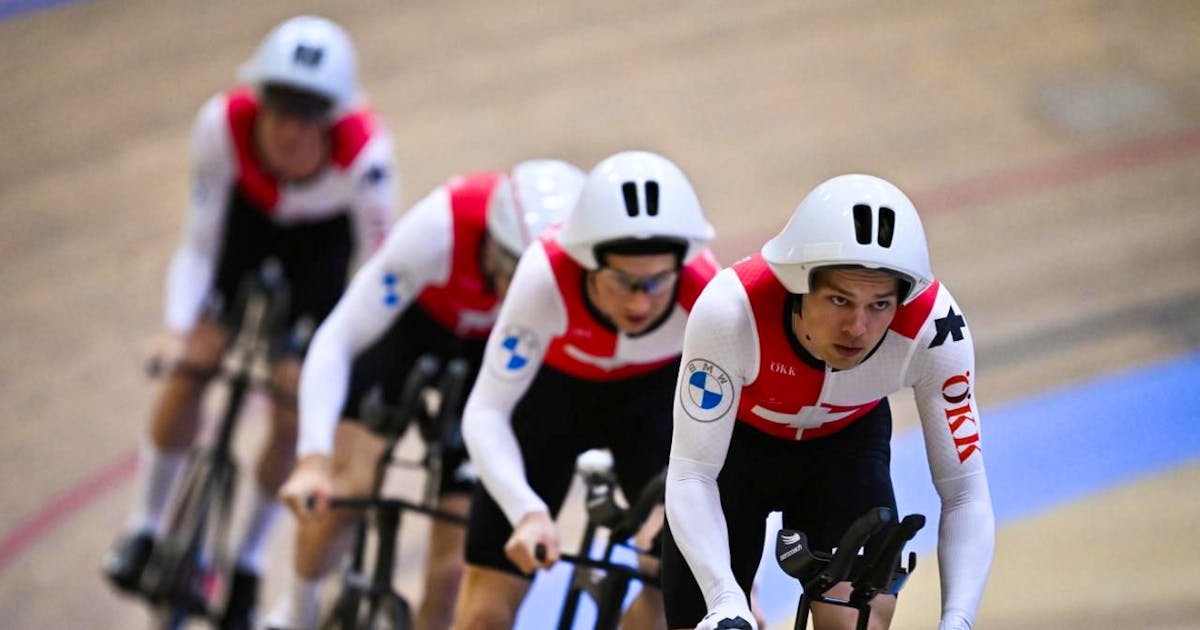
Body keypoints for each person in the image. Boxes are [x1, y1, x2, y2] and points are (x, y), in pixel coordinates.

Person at [101, 15, 397, 630]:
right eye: (279, 109)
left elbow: (375, 269)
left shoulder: (366, 158)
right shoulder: (222, 125)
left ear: (333, 118)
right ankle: (144, 529)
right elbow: (201, 246)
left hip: (320, 254)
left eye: (308, 115)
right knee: (194, 363)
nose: (290, 129)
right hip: (246, 231)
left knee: (293, 406)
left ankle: (249, 563)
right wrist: (180, 327)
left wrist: (347, 361)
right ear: (258, 101)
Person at [661, 174, 995, 630]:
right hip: (736, 450)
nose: (857, 328)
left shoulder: (935, 331)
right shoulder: (730, 309)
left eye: (879, 305)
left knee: (857, 619)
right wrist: (725, 598)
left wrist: (958, 620)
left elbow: (965, 492)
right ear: (798, 284)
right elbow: (691, 473)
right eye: (840, 299)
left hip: (844, 449)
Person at [266, 159, 586, 630]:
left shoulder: (579, 279)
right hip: (410, 329)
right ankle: (294, 614)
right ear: (492, 244)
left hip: (494, 356)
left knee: (454, 568)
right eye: (512, 269)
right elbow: (337, 339)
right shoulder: (439, 228)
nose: (522, 289)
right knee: (344, 492)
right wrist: (313, 456)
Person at [452, 150, 721, 630]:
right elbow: (486, 412)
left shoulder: (710, 293)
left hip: (652, 405)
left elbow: (739, 439)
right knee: (485, 612)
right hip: (550, 404)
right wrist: (526, 510)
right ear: (588, 262)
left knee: (675, 590)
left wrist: (739, 584)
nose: (641, 300)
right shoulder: (545, 274)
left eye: (658, 281)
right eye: (623, 281)